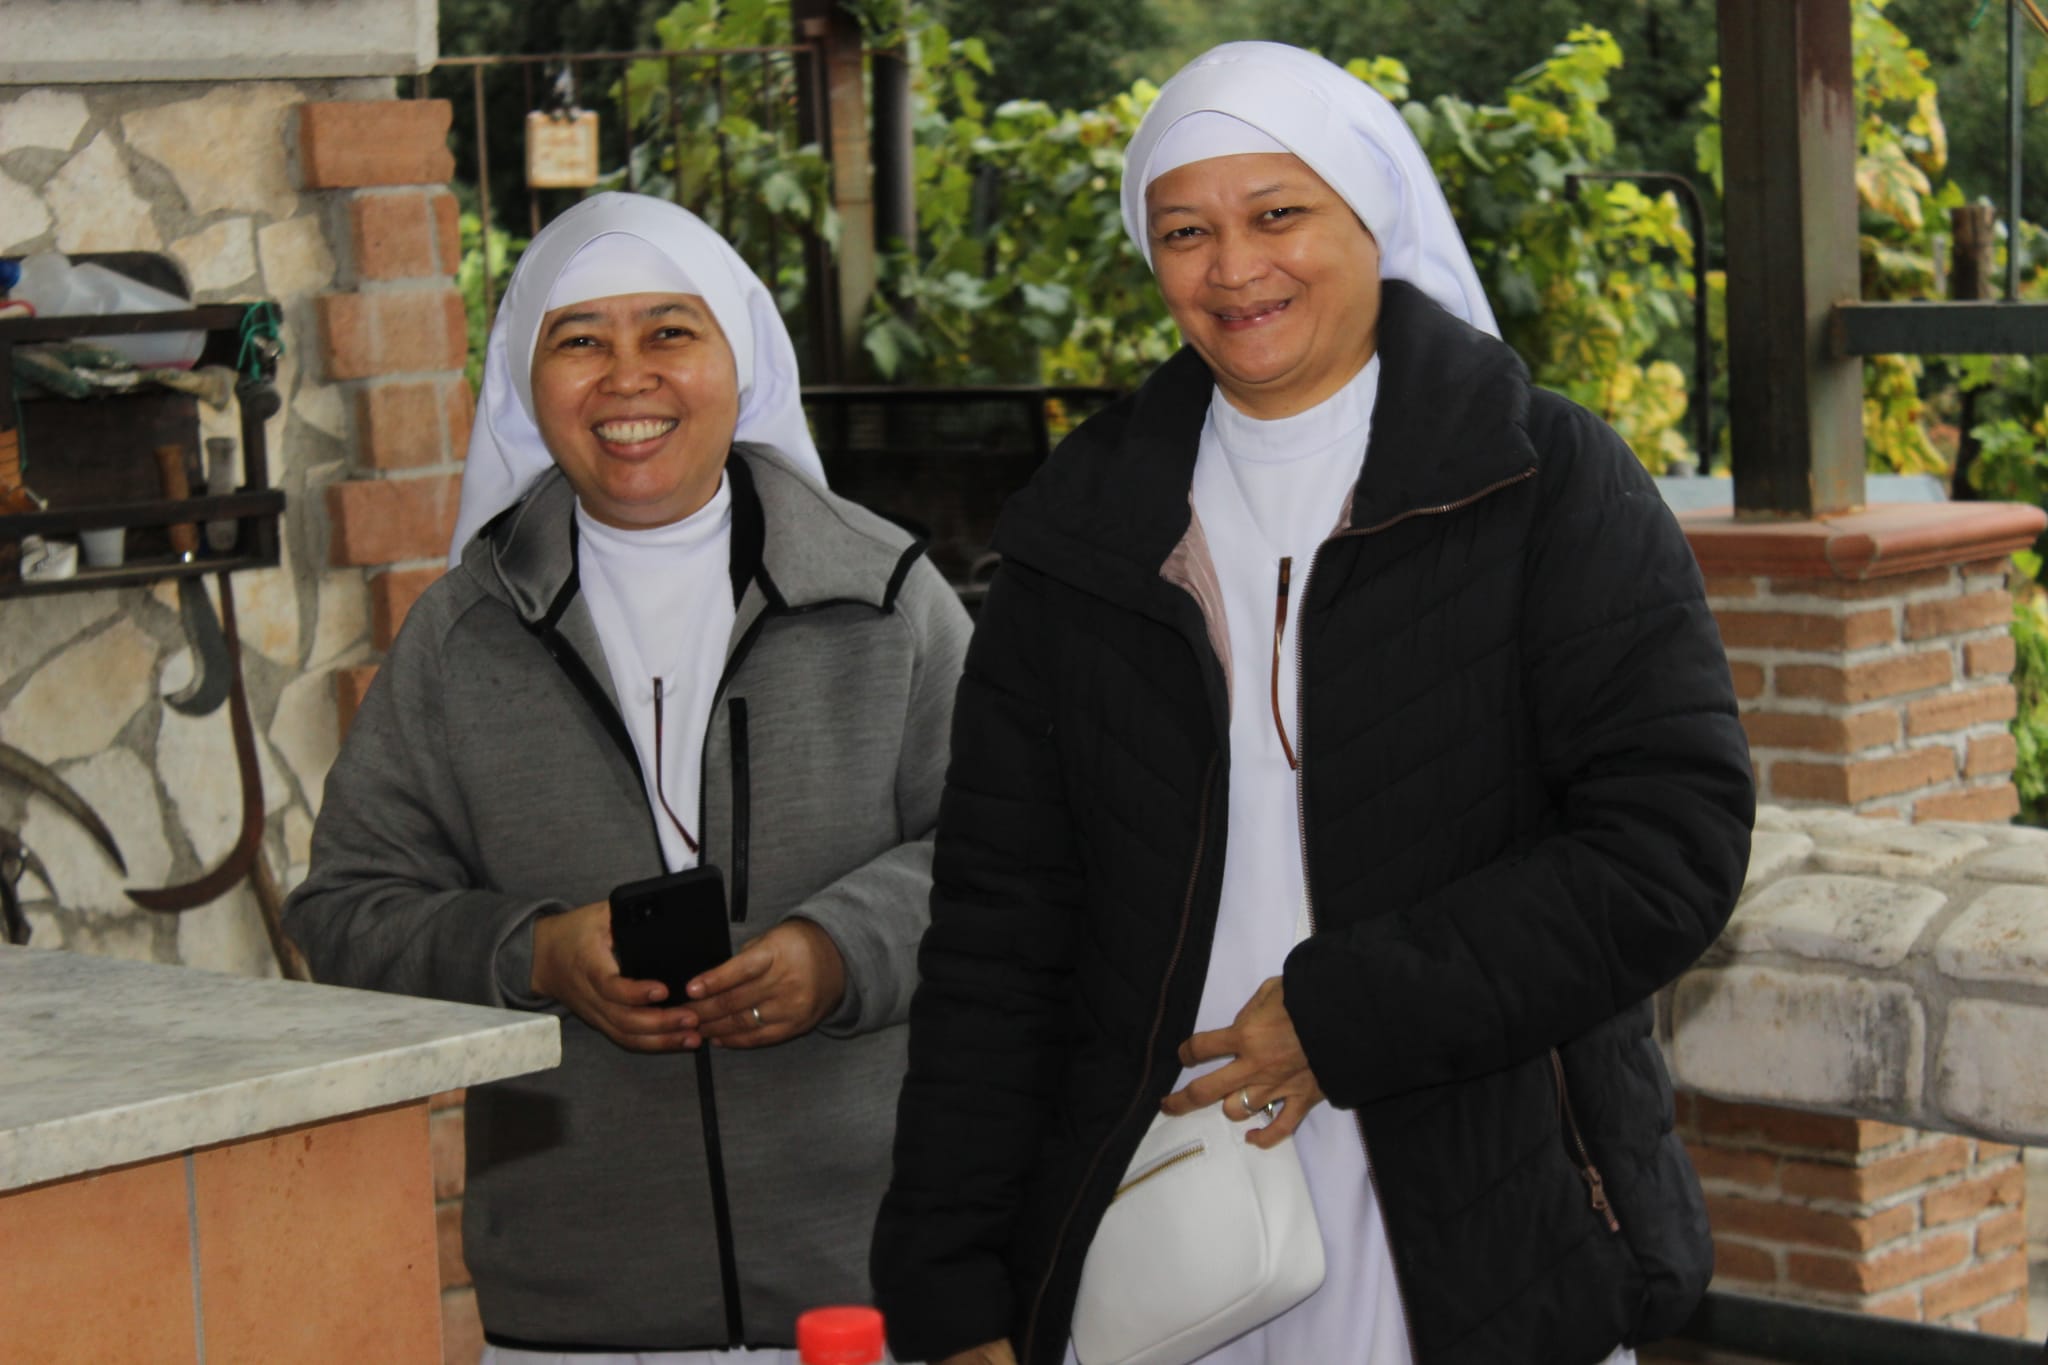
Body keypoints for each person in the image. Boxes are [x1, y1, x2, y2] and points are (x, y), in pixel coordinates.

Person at [871, 42, 1754, 1365]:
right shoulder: (1079, 529)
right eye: (1185, 231)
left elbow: (1668, 846)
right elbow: (1002, 926)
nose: (1233, 268)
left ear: (1370, 215)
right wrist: (949, 1284)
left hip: (1476, 1207)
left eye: (1277, 213)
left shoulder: (1544, 480)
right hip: (1158, 1219)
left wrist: (1343, 1017)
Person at [285, 192, 971, 1362]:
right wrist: (535, 954)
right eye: (579, 340)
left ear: (740, 361)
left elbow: (1009, 860)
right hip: (577, 1303)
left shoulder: (883, 600)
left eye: (668, 331)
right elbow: (345, 909)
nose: (626, 377)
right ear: (525, 381)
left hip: (864, 1283)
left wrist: (838, 951)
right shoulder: (461, 637)